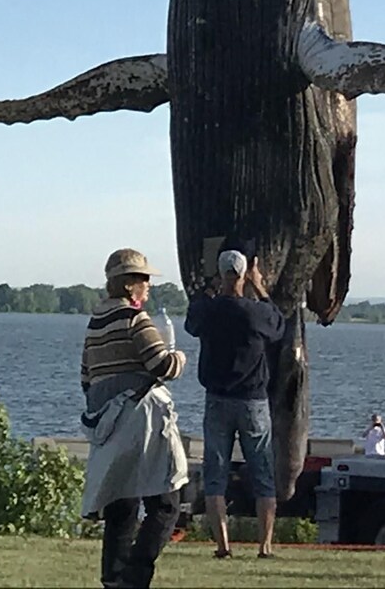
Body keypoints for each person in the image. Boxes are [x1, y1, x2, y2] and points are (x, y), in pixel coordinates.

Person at [80, 248, 188, 589]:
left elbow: (86, 378)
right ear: (131, 285)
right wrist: (179, 358)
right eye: (145, 280)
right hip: (141, 420)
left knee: (121, 504)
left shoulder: (95, 323)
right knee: (166, 502)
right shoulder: (134, 319)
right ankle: (137, 575)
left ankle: (113, 579)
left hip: (108, 423)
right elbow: (161, 366)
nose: (149, 286)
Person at [184, 248, 285, 560]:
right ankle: (264, 547)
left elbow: (192, 322)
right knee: (263, 476)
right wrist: (260, 287)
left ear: (221, 274)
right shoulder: (255, 312)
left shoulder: (209, 311)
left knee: (215, 475)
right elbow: (279, 326)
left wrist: (210, 287)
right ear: (243, 275)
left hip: (217, 400)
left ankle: (222, 546)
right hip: (253, 401)